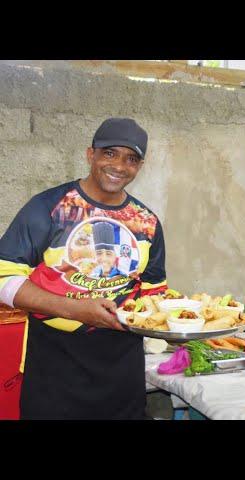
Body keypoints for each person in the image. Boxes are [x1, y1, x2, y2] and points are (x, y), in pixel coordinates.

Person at [0, 118, 168, 419]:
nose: (119, 165)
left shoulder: (147, 222)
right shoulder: (49, 208)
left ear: (139, 167)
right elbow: (4, 279)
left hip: (122, 372)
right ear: (91, 155)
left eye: (131, 159)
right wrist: (74, 309)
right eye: (110, 153)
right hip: (55, 368)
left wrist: (182, 318)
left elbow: (154, 291)